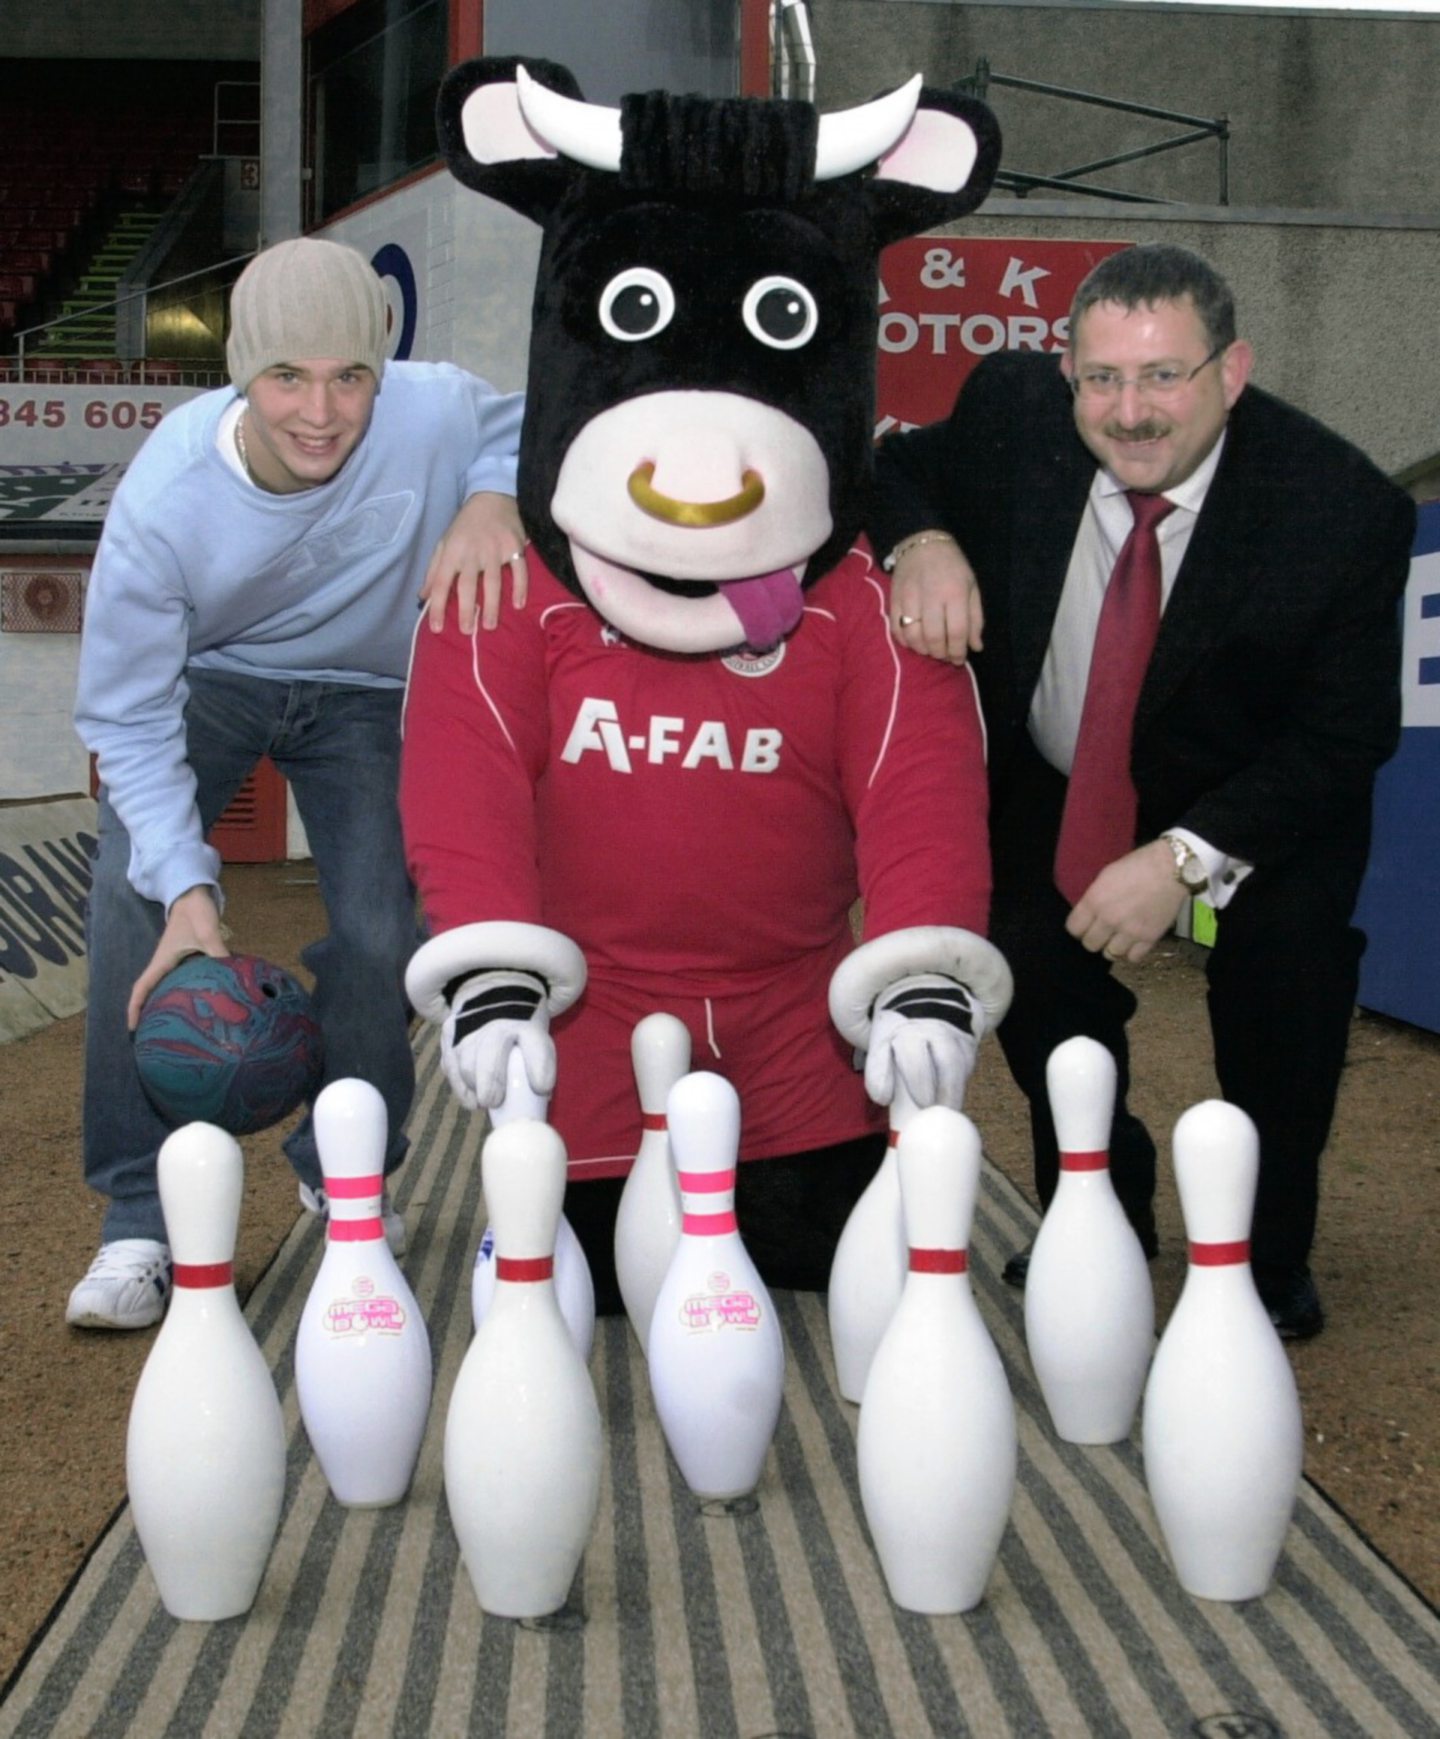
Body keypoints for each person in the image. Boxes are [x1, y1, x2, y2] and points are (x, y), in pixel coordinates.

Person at [870, 243, 1416, 1340]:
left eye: (1164, 374)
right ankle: (1099, 1206)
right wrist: (921, 543)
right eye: (1106, 376)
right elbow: (891, 467)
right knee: (1025, 967)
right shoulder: (1013, 412)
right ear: (1064, 368)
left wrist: (1179, 859)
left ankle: (1264, 1249)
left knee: (1286, 994)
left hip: (1253, 795)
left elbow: (1344, 733)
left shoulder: (1341, 508)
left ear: (1232, 370)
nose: (1131, 412)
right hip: (1060, 775)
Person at [67, 236, 526, 1330]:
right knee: (136, 896)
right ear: (242, 372)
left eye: (348, 376)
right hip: (214, 682)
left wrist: (493, 497)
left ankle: (346, 1166)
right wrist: (188, 887)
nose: (320, 411)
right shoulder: (167, 498)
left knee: (384, 930)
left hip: (369, 690)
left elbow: (526, 424)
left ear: (381, 366)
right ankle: (138, 1214)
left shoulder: (434, 408)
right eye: (287, 378)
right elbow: (126, 717)